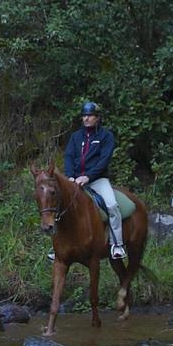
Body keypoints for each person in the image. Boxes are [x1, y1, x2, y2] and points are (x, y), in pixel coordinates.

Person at [62, 99, 125, 260]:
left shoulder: (106, 136)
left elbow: (104, 160)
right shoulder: (76, 137)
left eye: (90, 115)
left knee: (112, 205)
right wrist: (69, 175)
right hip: (75, 180)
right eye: (84, 115)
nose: (86, 118)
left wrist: (88, 176)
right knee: (59, 206)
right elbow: (69, 156)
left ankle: (117, 244)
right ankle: (58, 247)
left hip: (98, 180)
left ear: (98, 118)